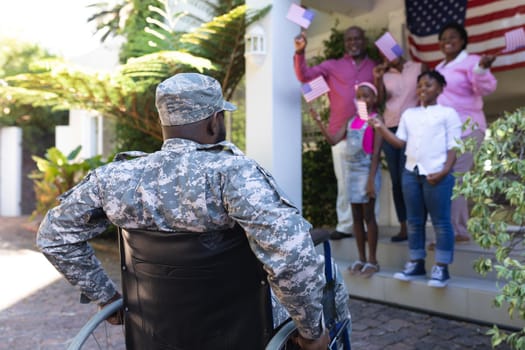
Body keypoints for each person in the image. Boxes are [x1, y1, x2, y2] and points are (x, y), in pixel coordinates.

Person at [36, 73, 341, 350]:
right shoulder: (234, 174)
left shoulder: (114, 178)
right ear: (214, 121)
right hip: (242, 328)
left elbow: (53, 237)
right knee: (329, 276)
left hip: (155, 329)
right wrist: (311, 333)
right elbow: (289, 254)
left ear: (164, 123)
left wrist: (108, 298)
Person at [368, 70, 462, 288]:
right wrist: (381, 127)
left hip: (437, 173)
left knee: (441, 222)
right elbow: (400, 143)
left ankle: (441, 267)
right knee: (414, 222)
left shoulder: (448, 114)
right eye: (420, 86)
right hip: (411, 172)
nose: (422, 89)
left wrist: (444, 171)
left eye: (428, 85)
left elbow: (454, 146)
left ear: (439, 89)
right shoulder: (409, 114)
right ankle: (416, 263)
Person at [294, 26, 376, 240]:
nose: (353, 42)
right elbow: (304, 76)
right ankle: (346, 224)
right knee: (344, 181)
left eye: (357, 38)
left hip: (367, 133)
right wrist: (301, 51)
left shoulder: (373, 67)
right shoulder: (333, 66)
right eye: (349, 39)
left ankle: (367, 225)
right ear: (344, 43)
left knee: (369, 180)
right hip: (340, 133)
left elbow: (380, 96)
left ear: (363, 41)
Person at [311, 82, 382, 278]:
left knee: (369, 217)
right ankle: (361, 258)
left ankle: (373, 260)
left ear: (374, 99)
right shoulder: (352, 121)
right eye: (359, 96)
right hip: (351, 174)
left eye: (367, 96)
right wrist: (318, 121)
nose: (362, 100)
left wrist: (370, 181)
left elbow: (375, 153)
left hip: (367, 172)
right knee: (356, 218)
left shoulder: (375, 120)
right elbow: (334, 140)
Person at [435, 22, 497, 244]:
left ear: (462, 41)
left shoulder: (472, 62)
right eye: (443, 38)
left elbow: (486, 88)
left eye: (452, 37)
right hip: (444, 134)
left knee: (455, 181)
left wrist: (481, 69)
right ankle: (448, 230)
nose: (447, 41)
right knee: (443, 181)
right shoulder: (439, 68)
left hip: (467, 128)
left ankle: (457, 230)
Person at [373, 55, 427, 242]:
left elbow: (428, 90)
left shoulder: (418, 67)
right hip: (390, 128)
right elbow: (378, 102)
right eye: (383, 52)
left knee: (410, 179)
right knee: (397, 180)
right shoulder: (385, 75)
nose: (388, 54)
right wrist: (378, 78)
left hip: (413, 127)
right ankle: (404, 226)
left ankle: (416, 226)